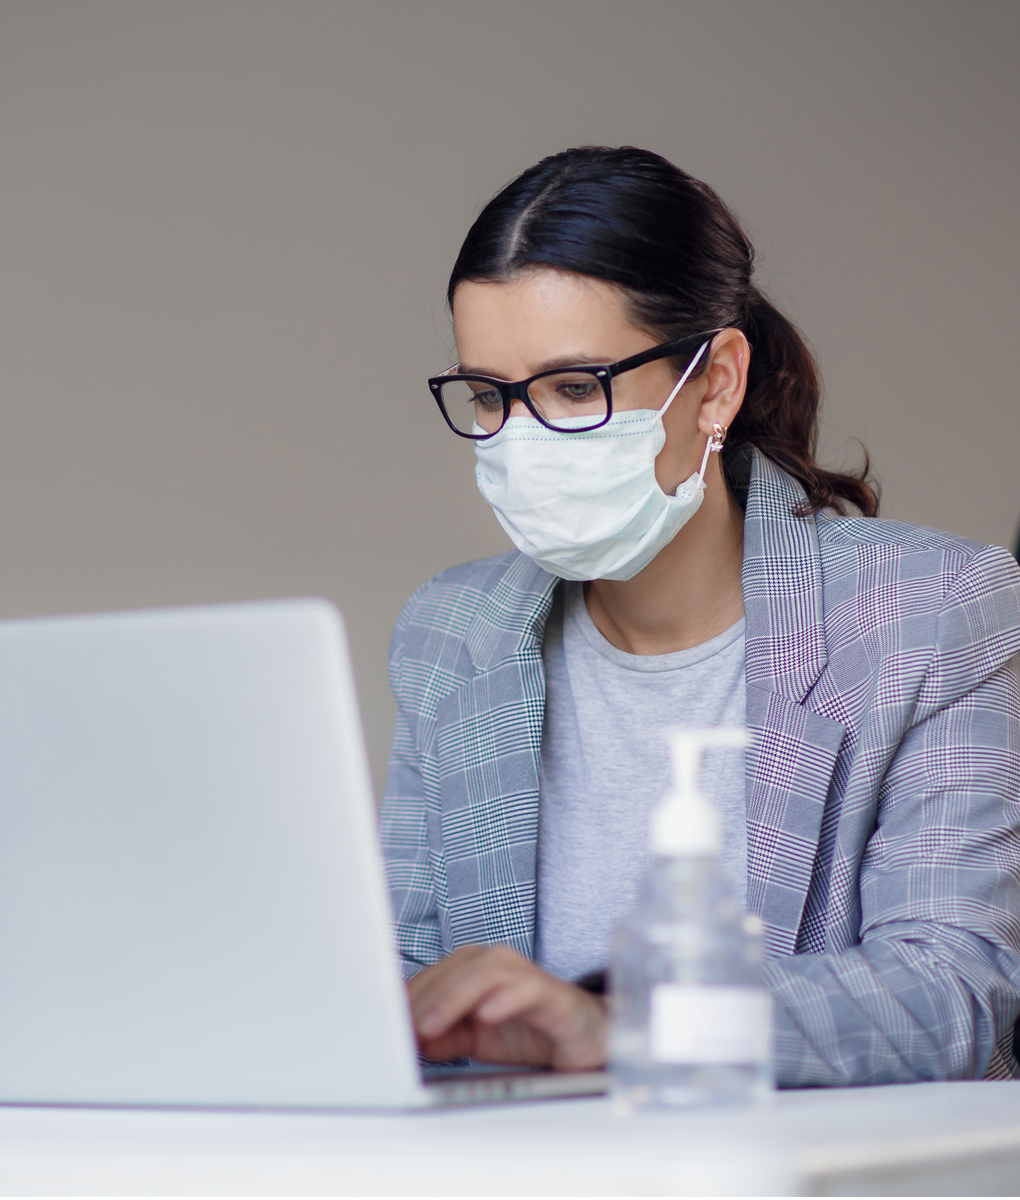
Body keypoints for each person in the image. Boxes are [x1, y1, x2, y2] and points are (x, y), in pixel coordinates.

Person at [380, 145, 1020, 1087]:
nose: (522, 443)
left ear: (715, 381)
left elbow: (955, 988)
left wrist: (622, 1024)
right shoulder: (451, 634)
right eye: (489, 396)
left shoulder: (931, 610)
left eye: (572, 389)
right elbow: (404, 977)